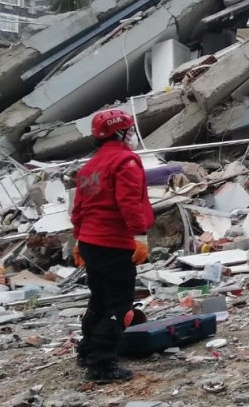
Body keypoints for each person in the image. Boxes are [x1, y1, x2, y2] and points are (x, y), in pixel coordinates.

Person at [71, 109, 154, 383]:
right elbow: (129, 203)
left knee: (98, 299)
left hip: (90, 243)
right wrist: (139, 236)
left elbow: (79, 208)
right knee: (119, 306)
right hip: (115, 244)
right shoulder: (125, 161)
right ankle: (102, 364)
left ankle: (86, 350)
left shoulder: (90, 167)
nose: (132, 135)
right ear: (119, 133)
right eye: (129, 130)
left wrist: (78, 239)